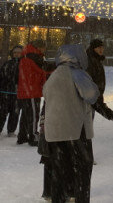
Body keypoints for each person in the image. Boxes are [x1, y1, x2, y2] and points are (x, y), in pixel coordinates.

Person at [42, 44, 100, 203]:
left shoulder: (54, 75)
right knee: (83, 167)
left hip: (54, 130)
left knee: (60, 168)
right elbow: (92, 95)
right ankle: (80, 198)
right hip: (75, 129)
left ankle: (59, 198)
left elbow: (46, 96)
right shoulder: (78, 74)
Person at [85, 39, 113, 126]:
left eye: (102, 47)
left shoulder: (95, 60)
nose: (101, 49)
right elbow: (89, 87)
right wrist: (111, 115)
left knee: (86, 131)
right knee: (85, 131)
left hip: (91, 101)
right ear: (93, 48)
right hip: (87, 103)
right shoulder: (90, 62)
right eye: (99, 47)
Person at [17, 39, 47, 146]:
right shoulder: (34, 57)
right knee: (34, 114)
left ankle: (22, 135)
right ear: (39, 47)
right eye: (43, 47)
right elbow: (41, 72)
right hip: (32, 90)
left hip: (26, 89)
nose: (45, 49)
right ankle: (33, 136)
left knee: (26, 114)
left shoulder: (26, 56)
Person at [0, 45, 22, 138]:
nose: (17, 54)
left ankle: (11, 130)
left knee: (15, 113)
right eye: (15, 52)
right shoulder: (7, 64)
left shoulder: (24, 64)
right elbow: (0, 76)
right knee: (1, 112)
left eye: (19, 52)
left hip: (18, 93)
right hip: (4, 92)